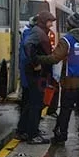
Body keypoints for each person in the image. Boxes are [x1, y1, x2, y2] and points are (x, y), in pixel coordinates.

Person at [35, 13, 79, 146]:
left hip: (71, 82)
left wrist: (38, 58)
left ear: (69, 25)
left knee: (66, 109)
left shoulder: (67, 40)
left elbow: (55, 58)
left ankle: (61, 136)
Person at [22, 11, 57, 145]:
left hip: (39, 73)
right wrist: (35, 63)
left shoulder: (40, 31)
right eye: (50, 21)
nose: (51, 24)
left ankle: (26, 130)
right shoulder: (38, 32)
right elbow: (27, 45)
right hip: (36, 74)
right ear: (43, 21)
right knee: (36, 104)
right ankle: (33, 134)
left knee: (32, 103)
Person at [16, 15, 36, 141]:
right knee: (28, 103)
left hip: (27, 75)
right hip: (29, 76)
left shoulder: (27, 33)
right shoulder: (30, 36)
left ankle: (25, 129)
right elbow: (26, 57)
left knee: (27, 102)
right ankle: (23, 130)